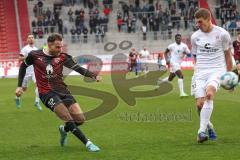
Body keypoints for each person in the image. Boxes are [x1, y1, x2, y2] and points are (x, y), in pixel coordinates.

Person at [15, 33, 101, 152]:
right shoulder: (35, 55)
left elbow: (78, 68)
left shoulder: (63, 57)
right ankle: (88, 143)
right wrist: (19, 86)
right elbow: (22, 67)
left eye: (61, 46)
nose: (60, 49)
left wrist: (93, 76)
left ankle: (64, 129)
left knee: (80, 119)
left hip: (62, 90)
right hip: (46, 93)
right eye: (57, 47)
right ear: (49, 45)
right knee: (67, 117)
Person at [191, 8, 233, 143]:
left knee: (209, 94)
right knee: (199, 105)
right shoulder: (195, 37)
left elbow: (228, 55)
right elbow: (196, 57)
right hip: (200, 72)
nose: (198, 25)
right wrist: (196, 73)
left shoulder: (222, 34)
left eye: (200, 22)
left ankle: (200, 132)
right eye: (197, 23)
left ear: (208, 19)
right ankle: (208, 126)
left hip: (217, 70)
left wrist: (229, 76)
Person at [15, 33, 42, 111]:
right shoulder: (25, 49)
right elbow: (20, 58)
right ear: (27, 40)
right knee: (22, 90)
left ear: (34, 39)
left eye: (32, 38)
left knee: (39, 85)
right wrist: (28, 56)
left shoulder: (36, 49)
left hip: (34, 71)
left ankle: (37, 102)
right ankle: (17, 98)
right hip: (25, 71)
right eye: (29, 38)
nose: (31, 39)